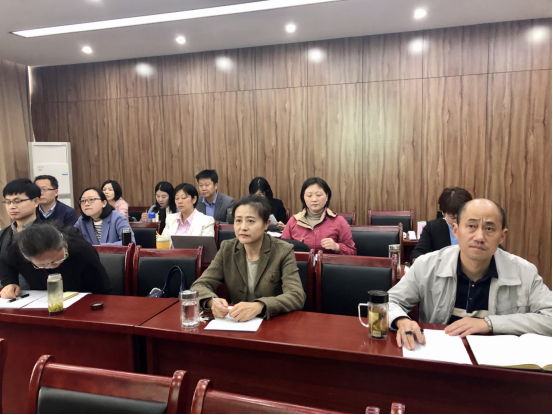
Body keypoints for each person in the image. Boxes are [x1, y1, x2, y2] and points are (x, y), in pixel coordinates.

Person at [389, 199, 552, 351]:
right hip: (439, 355)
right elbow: (390, 301)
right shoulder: (427, 265)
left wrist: (489, 324)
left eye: (489, 229)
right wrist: (402, 321)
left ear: (502, 236)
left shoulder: (524, 272)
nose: (479, 237)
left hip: (498, 359)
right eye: (472, 226)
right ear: (456, 230)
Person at [191, 195, 305, 321]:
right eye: (238, 220)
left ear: (266, 224)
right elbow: (199, 285)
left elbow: (296, 295)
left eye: (250, 221)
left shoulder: (283, 250)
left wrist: (260, 306)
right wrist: (212, 302)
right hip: (236, 322)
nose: (243, 227)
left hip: (272, 322)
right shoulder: (227, 249)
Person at [0, 223, 112, 298]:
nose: (50, 266)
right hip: (42, 301)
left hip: (81, 301)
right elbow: (5, 261)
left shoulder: (81, 250)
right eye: (42, 265)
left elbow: (103, 289)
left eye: (56, 260)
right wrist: (9, 282)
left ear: (63, 242)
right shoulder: (16, 250)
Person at [281, 177, 356, 255]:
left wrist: (337, 247)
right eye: (309, 195)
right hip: (300, 263)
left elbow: (352, 253)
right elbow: (281, 250)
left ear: (327, 196)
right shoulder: (293, 221)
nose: (314, 199)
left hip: (328, 262)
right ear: (303, 198)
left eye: (319, 195)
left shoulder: (339, 221)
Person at [411, 187, 472, 262]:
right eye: (453, 218)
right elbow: (417, 253)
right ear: (443, 212)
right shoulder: (432, 228)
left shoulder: (476, 227)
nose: (459, 221)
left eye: (463, 216)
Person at [1, 179, 41, 255]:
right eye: (8, 202)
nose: (12, 207)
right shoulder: (3, 233)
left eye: (17, 201)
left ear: (36, 201)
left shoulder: (48, 233)